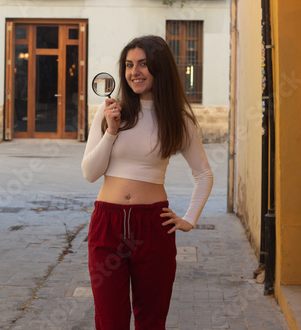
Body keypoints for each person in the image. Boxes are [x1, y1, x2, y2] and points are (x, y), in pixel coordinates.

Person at [81, 35, 214, 330]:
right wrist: (111, 131)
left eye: (143, 64)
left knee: (151, 320)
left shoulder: (178, 121)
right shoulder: (110, 112)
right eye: (129, 65)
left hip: (153, 227)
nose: (134, 72)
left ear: (159, 67)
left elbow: (203, 174)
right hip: (108, 225)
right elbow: (90, 172)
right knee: (110, 320)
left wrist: (189, 219)